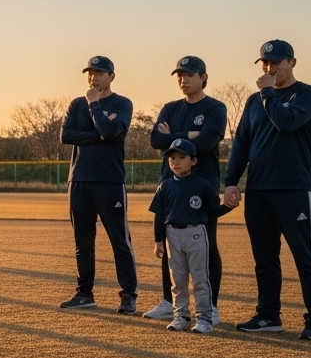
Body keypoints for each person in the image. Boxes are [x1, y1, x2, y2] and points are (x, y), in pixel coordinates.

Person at [224, 40, 311, 340]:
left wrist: (268, 92)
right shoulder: (253, 101)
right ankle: (269, 315)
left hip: (293, 189)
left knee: (305, 256)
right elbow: (241, 141)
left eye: (276, 63)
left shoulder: (308, 95)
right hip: (258, 190)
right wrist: (232, 180)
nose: (269, 69)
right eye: (265, 64)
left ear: (292, 62)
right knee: (264, 258)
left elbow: (287, 122)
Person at [143, 56, 228, 322]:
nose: (183, 80)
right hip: (171, 185)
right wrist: (188, 133)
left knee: (207, 246)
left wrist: (175, 135)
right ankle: (169, 302)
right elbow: (156, 140)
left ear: (203, 77)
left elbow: (205, 142)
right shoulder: (170, 107)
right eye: (179, 75)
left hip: (202, 186)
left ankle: (210, 307)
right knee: (171, 247)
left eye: (189, 75)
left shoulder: (215, 107)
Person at [58, 55, 139, 314]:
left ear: (111, 76)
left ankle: (128, 295)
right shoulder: (75, 104)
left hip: (109, 180)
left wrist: (95, 106)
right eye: (90, 73)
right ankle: (84, 294)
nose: (93, 78)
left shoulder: (122, 103)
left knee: (119, 240)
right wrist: (98, 135)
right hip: (79, 179)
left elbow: (110, 130)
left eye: (99, 73)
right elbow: (66, 136)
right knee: (83, 242)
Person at [149, 139, 232, 334]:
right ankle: (181, 316)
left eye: (182, 157)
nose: (176, 162)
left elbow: (213, 210)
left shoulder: (202, 185)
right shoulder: (165, 186)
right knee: (177, 280)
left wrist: (228, 206)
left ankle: (204, 318)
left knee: (200, 278)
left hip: (195, 233)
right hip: (172, 235)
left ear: (193, 161)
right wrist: (158, 240)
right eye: (172, 158)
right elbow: (159, 215)